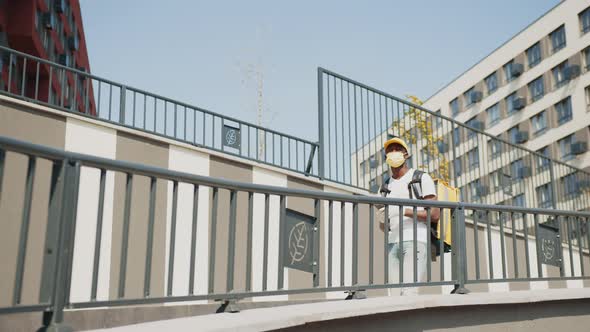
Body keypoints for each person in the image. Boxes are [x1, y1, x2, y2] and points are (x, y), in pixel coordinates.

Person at [379, 136, 440, 295]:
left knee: (408, 294)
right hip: (392, 244)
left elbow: (434, 214)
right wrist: (382, 219)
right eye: (390, 151)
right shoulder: (384, 187)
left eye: (397, 150)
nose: (393, 153)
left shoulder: (420, 178)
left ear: (406, 154)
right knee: (393, 296)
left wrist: (403, 211)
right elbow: (384, 226)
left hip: (416, 240)